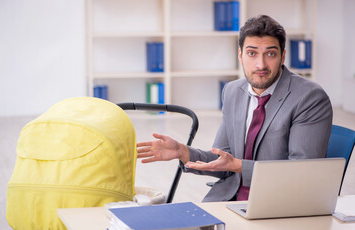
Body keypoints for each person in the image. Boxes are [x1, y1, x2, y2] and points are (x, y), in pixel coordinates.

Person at [137, 15, 333, 202]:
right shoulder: (233, 91)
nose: (261, 64)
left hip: (278, 203)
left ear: (282, 56)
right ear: (240, 55)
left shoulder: (309, 97)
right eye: (252, 53)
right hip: (227, 199)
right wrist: (182, 151)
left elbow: (302, 173)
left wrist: (238, 166)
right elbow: (222, 160)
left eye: (270, 54)